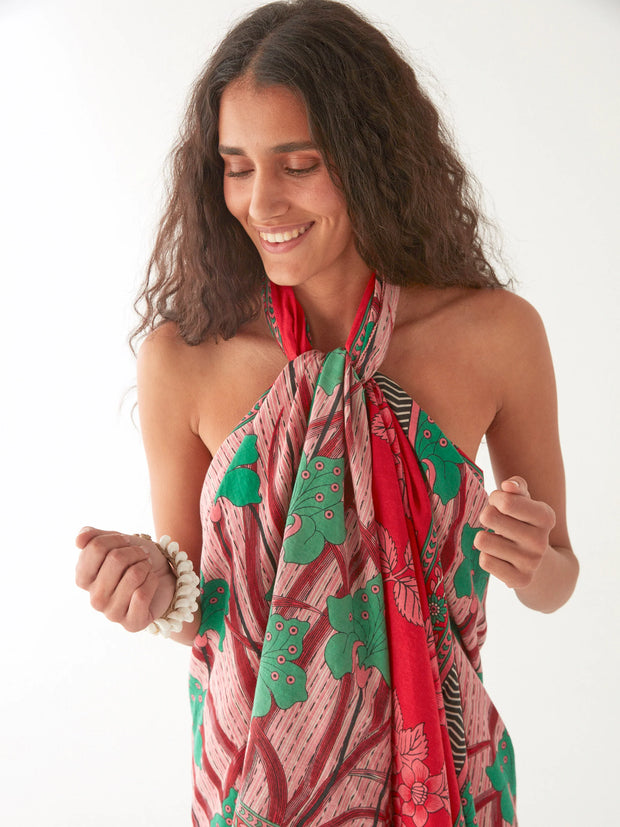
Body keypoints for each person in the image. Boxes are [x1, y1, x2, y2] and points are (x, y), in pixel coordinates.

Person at [75, 1, 578, 824]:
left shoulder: (494, 335)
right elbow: (193, 606)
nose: (261, 201)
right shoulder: (185, 357)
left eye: (298, 162)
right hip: (251, 786)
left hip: (448, 782)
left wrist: (532, 557)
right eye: (236, 165)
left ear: (373, 159)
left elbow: (559, 576)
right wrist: (147, 583)